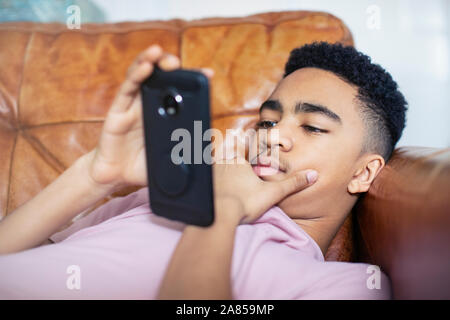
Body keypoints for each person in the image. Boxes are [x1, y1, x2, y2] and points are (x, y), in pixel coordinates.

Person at [0, 42, 406, 299]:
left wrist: (220, 209)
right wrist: (94, 176)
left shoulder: (346, 286)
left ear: (363, 174)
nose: (272, 137)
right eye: (267, 121)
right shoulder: (164, 196)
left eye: (312, 127)